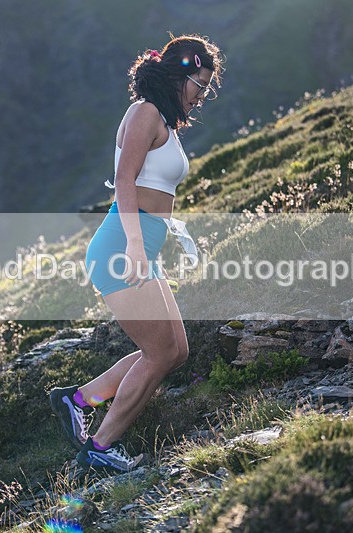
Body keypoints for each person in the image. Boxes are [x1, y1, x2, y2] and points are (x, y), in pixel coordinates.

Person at [48, 34, 224, 474]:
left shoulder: (163, 118)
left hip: (144, 243)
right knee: (160, 352)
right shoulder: (144, 112)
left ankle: (78, 399)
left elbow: (155, 188)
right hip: (121, 246)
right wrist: (132, 244)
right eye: (198, 85)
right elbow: (124, 181)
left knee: (174, 351)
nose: (201, 96)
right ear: (180, 74)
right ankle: (101, 448)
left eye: (205, 88)